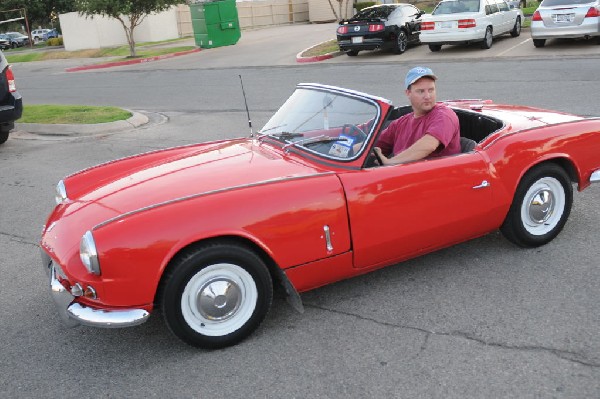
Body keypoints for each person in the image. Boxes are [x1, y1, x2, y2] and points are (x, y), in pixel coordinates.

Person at [374, 66, 460, 165]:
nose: (427, 96)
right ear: (408, 93)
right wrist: (353, 148)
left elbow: (428, 145)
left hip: (436, 177)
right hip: (403, 175)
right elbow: (371, 144)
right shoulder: (401, 123)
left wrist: (391, 163)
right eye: (421, 91)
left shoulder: (444, 115)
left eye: (431, 90)